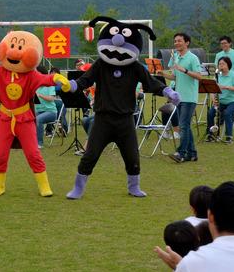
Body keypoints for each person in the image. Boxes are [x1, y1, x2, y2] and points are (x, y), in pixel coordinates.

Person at [67, 17, 179, 200]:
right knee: (90, 155)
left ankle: (134, 186)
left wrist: (167, 90)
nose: (118, 43)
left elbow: (151, 83)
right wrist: (72, 85)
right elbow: (85, 80)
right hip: (102, 119)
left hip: (125, 120)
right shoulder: (101, 64)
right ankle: (78, 188)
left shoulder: (135, 67)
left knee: (132, 157)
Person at [0, 31, 73, 197]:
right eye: (12, 46)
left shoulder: (31, 75)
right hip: (5, 118)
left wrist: (58, 79)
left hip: (24, 119)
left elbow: (45, 79)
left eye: (20, 47)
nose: (14, 51)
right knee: (0, 154)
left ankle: (44, 185)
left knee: (33, 153)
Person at [161, 33, 201, 163]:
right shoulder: (176, 57)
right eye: (175, 41)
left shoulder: (193, 58)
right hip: (179, 97)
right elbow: (174, 76)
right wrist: (163, 74)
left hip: (189, 97)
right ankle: (192, 154)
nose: (176, 43)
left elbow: (199, 76)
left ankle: (181, 153)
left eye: (179, 41)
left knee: (183, 125)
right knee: (186, 126)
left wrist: (184, 70)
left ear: (187, 42)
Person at [206, 57, 234, 144]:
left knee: (227, 113)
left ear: (228, 65)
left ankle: (229, 137)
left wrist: (224, 87)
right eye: (219, 64)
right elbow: (212, 90)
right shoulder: (217, 76)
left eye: (223, 64)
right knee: (210, 113)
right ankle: (211, 134)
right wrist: (213, 99)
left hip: (233, 101)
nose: (220, 65)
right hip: (221, 102)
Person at [34, 66, 58, 149]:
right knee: (28, 118)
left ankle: (39, 143)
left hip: (51, 112)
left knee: (38, 119)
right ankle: (29, 141)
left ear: (41, 73)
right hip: (39, 111)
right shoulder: (35, 84)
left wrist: (40, 95)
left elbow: (52, 98)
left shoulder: (50, 85)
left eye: (36, 72)